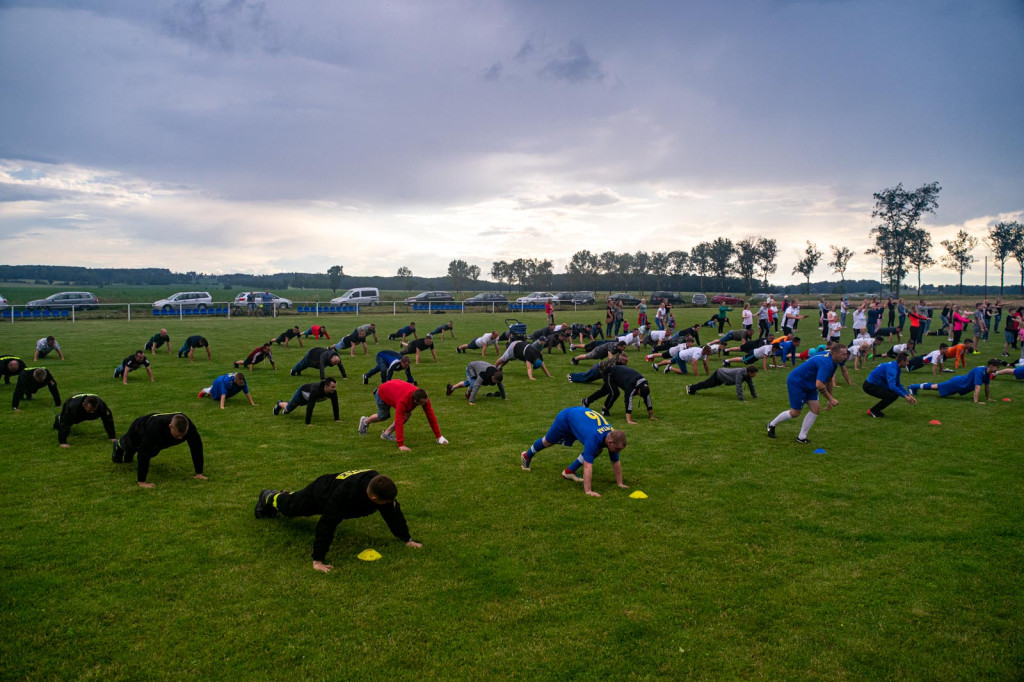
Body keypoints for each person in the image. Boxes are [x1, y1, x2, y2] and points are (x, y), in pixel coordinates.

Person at [254, 470, 421, 573]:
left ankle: (289, 495)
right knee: (290, 508)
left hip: (333, 487)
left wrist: (407, 539)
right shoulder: (345, 496)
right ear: (373, 498)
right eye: (385, 502)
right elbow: (327, 524)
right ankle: (268, 496)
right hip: (320, 493)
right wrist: (317, 561)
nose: (389, 504)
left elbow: (393, 512)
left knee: (294, 500)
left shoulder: (378, 485)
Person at [519, 406, 628, 497]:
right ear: (610, 443)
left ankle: (568, 472)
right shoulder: (594, 438)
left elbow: (615, 462)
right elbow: (587, 466)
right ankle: (527, 455)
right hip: (566, 418)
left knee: (597, 450)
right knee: (548, 441)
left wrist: (620, 483)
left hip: (580, 417)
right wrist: (588, 491)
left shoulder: (611, 436)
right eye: (618, 449)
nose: (618, 452)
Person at [766, 344, 849, 443]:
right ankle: (771, 424)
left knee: (816, 409)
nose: (846, 356)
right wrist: (831, 399)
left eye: (846, 354)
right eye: (843, 354)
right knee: (795, 413)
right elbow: (819, 384)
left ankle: (802, 437)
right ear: (835, 353)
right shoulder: (826, 362)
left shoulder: (834, 360)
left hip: (810, 383)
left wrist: (829, 398)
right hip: (797, 382)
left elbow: (829, 379)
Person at [112, 412, 206, 488]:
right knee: (131, 446)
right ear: (170, 426)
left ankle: (130, 454)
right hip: (140, 427)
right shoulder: (155, 428)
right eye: (178, 435)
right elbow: (144, 454)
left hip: (160, 436)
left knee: (153, 452)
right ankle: (118, 444)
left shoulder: (189, 427)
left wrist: (199, 473)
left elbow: (196, 446)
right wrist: (142, 482)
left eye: (183, 435)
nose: (180, 438)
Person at [357, 380, 448, 451]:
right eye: (423, 403)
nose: (426, 404)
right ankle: (365, 421)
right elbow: (399, 420)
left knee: (407, 414)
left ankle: (386, 434)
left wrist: (439, 437)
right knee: (383, 416)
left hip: (394, 390)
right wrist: (401, 445)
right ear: (416, 402)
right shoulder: (403, 401)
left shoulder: (423, 398)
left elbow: (430, 416)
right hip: (382, 393)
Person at [582, 360, 656, 424]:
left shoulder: (645, 386)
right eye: (639, 394)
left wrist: (651, 416)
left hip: (619, 376)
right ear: (639, 389)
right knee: (615, 393)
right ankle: (605, 409)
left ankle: (586, 401)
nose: (638, 395)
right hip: (609, 373)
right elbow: (628, 401)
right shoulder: (632, 385)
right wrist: (629, 420)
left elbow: (648, 400)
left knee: (604, 391)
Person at [909, 360, 1000, 403]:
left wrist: (988, 398)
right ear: (991, 366)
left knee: (937, 387)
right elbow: (977, 387)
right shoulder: (980, 372)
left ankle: (915, 386)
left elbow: (987, 386)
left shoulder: (987, 373)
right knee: (936, 387)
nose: (997, 370)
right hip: (957, 383)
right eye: (997, 368)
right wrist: (976, 402)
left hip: (961, 385)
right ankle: (913, 386)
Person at [863, 352, 917, 417]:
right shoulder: (892, 369)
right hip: (869, 386)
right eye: (907, 361)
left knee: (894, 394)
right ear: (902, 361)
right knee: (891, 396)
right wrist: (905, 396)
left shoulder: (897, 368)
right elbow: (892, 386)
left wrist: (908, 395)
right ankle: (873, 411)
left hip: (877, 384)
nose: (908, 363)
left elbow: (898, 384)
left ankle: (875, 410)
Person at [273, 377, 340, 425]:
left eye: (335, 387)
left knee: (290, 407)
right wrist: (308, 423)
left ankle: (287, 404)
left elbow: (335, 404)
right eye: (333, 387)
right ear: (326, 387)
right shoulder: (315, 391)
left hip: (309, 397)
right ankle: (279, 403)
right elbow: (310, 406)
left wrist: (336, 419)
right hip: (301, 394)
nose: (334, 389)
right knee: (288, 409)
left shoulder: (333, 392)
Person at [687, 365, 758, 401]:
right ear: (750, 372)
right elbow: (738, 385)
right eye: (754, 374)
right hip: (720, 374)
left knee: (708, 385)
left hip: (723, 377)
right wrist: (741, 399)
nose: (755, 375)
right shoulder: (740, 373)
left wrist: (754, 396)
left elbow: (751, 385)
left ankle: (692, 388)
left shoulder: (747, 375)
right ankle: (691, 387)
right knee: (706, 384)